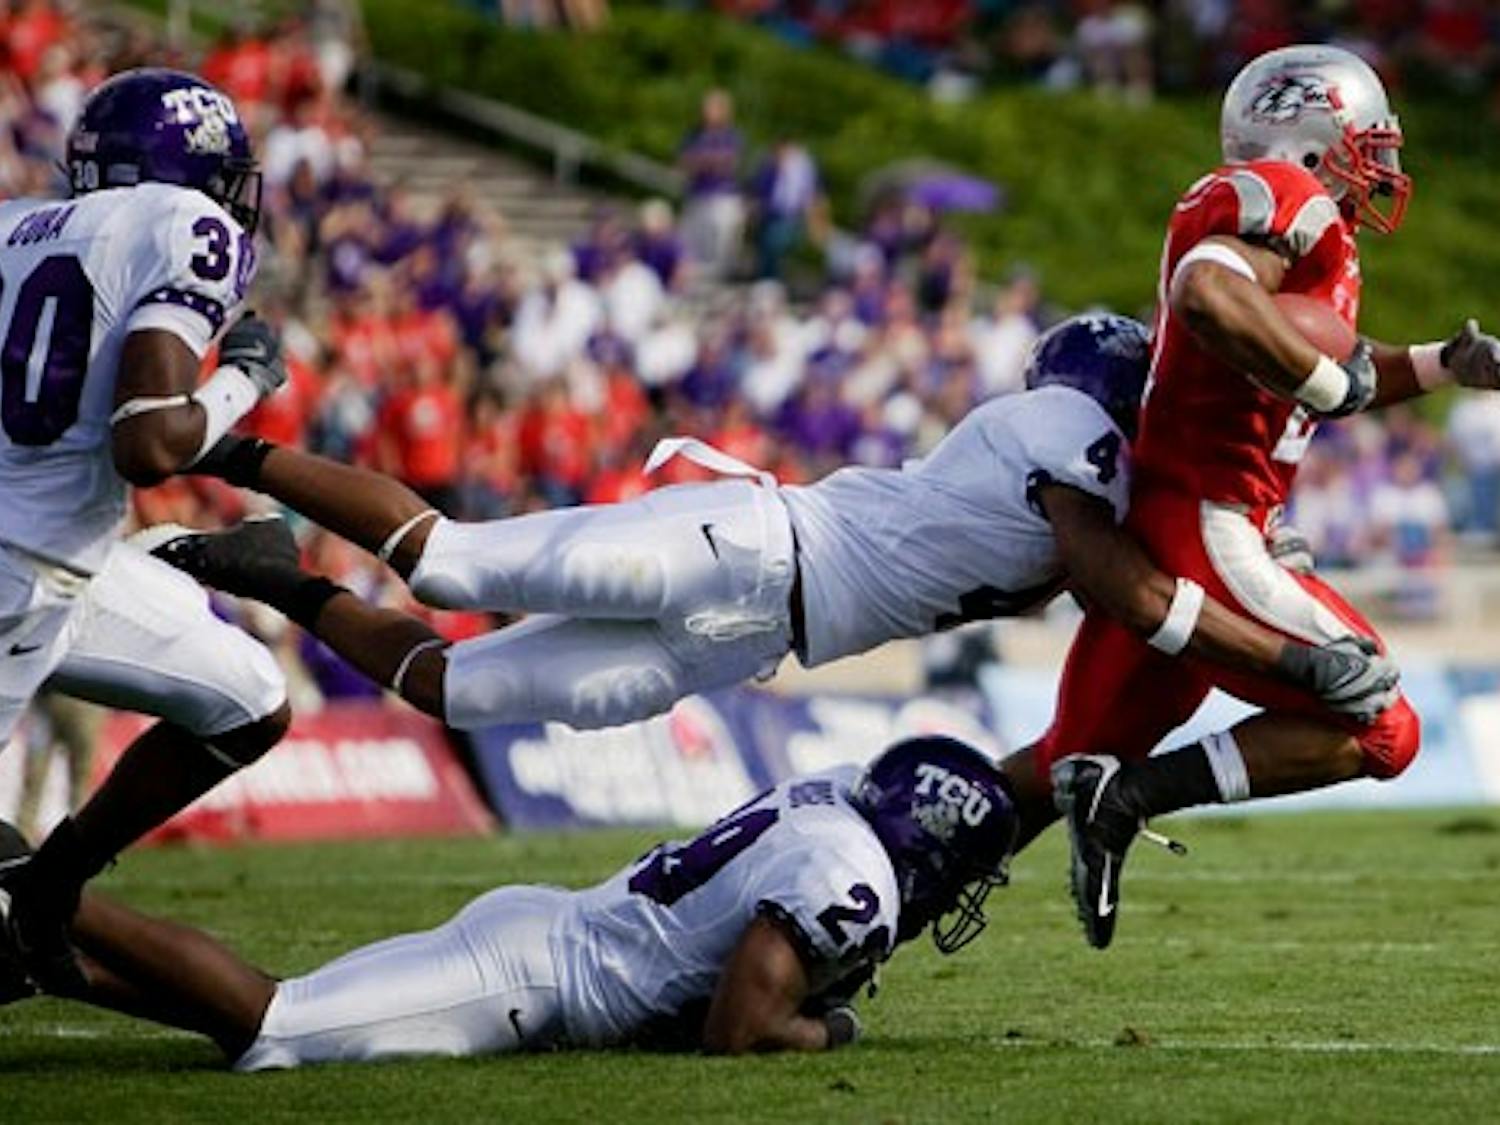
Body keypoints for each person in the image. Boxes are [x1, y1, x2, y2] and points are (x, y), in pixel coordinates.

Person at [151, 316, 1391, 744]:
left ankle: (286, 583)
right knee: (456, 560)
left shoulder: (1103, 488)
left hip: (746, 643)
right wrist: (1287, 654)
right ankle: (232, 437)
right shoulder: (1062, 422)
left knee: (449, 691)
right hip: (752, 546)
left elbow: (1135, 577)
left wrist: (1258, 556)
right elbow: (1122, 591)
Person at [1006, 45, 1500, 949]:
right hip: (1210, 522)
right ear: (1308, 138)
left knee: (1056, 761)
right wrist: (1319, 379)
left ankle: (883, 868)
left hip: (1184, 517)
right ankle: (1133, 801)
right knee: (1385, 729)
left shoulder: (1317, 236)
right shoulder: (1288, 194)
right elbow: (1207, 293)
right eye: (1365, 142)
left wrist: (1438, 365)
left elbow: (1339, 363)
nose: (1382, 166)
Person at [0, 736, 1016, 1065]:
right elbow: (736, 1029)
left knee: (274, 1028)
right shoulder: (854, 878)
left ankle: (37, 964)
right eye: (961, 863)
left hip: (546, 934)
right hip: (534, 981)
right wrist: (823, 1034)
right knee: (280, 1023)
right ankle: (35, 885)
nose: (959, 887)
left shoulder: (836, 799)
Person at [0, 68, 292, 994]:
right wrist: (245, 376)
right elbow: (150, 442)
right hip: (21, 577)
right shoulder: (182, 220)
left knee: (246, 694)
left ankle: (51, 884)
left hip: (59, 559)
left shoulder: (11, 224)